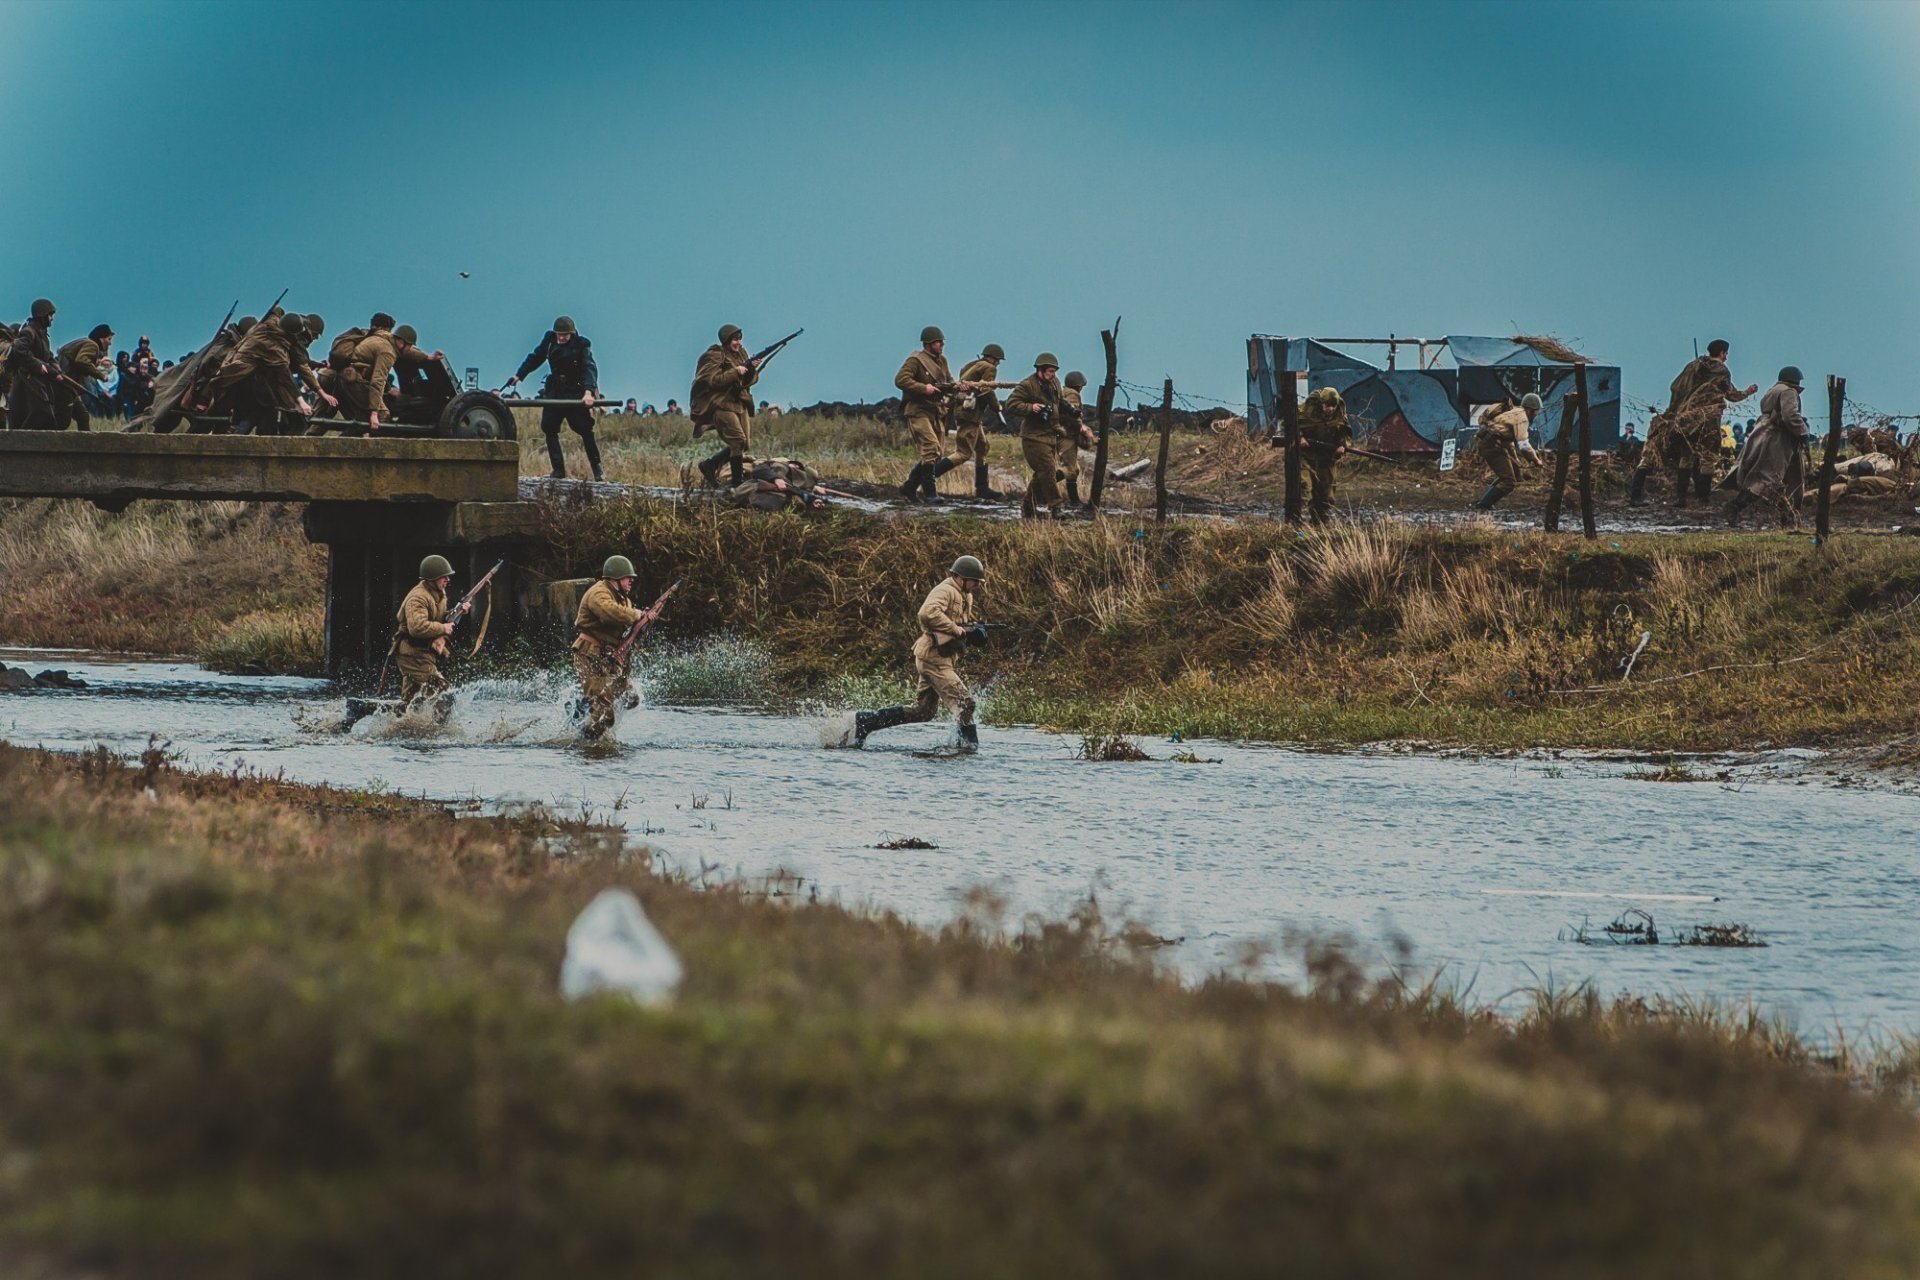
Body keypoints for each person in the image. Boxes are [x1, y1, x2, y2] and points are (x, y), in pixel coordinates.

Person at [851, 555, 987, 749]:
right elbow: (927, 613)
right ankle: (967, 748)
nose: (977, 585)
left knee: (923, 712)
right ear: (960, 577)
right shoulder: (945, 590)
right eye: (975, 581)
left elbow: (956, 621)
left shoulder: (966, 595)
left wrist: (972, 630)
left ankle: (867, 721)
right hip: (934, 658)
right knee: (966, 703)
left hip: (939, 657)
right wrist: (956, 630)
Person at [1631, 340, 1757, 507]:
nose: (1726, 356)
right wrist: (1748, 392)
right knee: (1708, 458)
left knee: (1686, 456)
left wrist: (1676, 411)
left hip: (1687, 420)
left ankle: (1680, 499)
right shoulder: (1721, 370)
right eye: (1726, 353)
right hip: (1709, 420)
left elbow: (1676, 387)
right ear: (1722, 353)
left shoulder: (1692, 366)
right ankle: (1703, 498)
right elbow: (1731, 395)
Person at [505, 316, 603, 480]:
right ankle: (558, 470)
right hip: (555, 391)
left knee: (584, 429)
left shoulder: (582, 344)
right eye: (560, 335)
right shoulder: (550, 340)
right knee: (549, 427)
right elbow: (535, 357)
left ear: (571, 334)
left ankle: (597, 469)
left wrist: (588, 392)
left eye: (565, 335)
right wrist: (519, 375)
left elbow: (589, 368)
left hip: (574, 392)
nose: (562, 338)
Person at [205, 311, 335, 434]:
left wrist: (316, 364)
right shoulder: (274, 348)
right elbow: (289, 373)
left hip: (246, 380)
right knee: (265, 413)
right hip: (254, 382)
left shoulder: (267, 329)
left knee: (260, 414)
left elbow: (295, 361)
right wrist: (304, 400)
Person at [571, 555, 646, 740]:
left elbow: (626, 627)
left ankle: (586, 713)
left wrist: (644, 622)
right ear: (615, 578)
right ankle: (584, 741)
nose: (632, 581)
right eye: (628, 578)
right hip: (589, 656)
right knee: (604, 715)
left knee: (631, 699)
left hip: (609, 658)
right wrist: (637, 615)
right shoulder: (599, 593)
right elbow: (610, 612)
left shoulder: (623, 599)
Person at [1727, 367, 1810, 527]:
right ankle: (1736, 506)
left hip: (1766, 435)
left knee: (1779, 479)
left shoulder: (1773, 390)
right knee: (1768, 478)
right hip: (1778, 439)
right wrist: (1803, 432)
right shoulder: (1788, 391)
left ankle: (1788, 517)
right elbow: (1790, 415)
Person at [391, 554, 470, 717]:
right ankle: (441, 733)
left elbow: (438, 618)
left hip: (423, 654)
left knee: (411, 704)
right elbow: (417, 627)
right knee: (444, 692)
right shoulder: (418, 597)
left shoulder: (438, 593)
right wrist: (443, 628)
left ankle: (365, 710)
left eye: (448, 576)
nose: (448, 580)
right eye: (443, 577)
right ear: (431, 578)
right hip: (412, 655)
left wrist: (459, 611)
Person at [895, 325, 966, 501]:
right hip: (918, 410)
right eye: (938, 342)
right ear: (928, 343)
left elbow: (948, 381)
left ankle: (910, 487)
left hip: (935, 411)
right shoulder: (915, 360)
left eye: (942, 342)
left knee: (937, 453)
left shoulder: (942, 361)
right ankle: (930, 493)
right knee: (931, 447)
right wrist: (923, 388)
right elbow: (901, 380)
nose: (941, 344)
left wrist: (958, 387)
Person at [1004, 353, 1070, 519]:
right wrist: (1030, 407)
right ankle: (1056, 506)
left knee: (1041, 473)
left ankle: (1028, 506)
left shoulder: (1055, 383)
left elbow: (1059, 401)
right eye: (1049, 371)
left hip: (1050, 435)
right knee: (1047, 470)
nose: (1052, 374)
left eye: (1054, 371)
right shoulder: (1027, 385)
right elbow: (1010, 404)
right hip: (1033, 437)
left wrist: (1071, 410)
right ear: (1040, 370)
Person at [691, 323, 759, 487]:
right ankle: (738, 484)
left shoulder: (741, 354)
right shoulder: (714, 356)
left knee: (745, 445)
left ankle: (710, 465)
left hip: (739, 403)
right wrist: (735, 371)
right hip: (721, 404)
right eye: (735, 339)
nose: (739, 343)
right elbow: (712, 381)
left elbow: (748, 381)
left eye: (739, 339)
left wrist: (751, 370)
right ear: (727, 340)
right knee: (738, 441)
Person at [315, 313, 398, 436]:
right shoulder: (382, 344)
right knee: (380, 418)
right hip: (351, 381)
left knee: (323, 417)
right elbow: (377, 379)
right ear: (385, 329)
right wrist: (375, 411)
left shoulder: (360, 337)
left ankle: (304, 443)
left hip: (332, 378)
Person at [1470, 393, 1542, 510]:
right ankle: (1483, 506)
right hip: (1492, 445)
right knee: (1508, 481)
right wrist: (1536, 460)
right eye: (1537, 411)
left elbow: (1508, 440)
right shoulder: (1522, 418)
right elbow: (1524, 445)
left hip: (1491, 443)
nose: (1537, 414)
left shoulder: (1515, 412)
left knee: (1512, 475)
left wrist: (1516, 460)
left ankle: (1483, 502)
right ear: (1532, 410)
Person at [954, 343, 1008, 498]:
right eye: (998, 360)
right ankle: (925, 477)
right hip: (970, 413)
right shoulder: (989, 368)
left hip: (967, 410)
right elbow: (987, 389)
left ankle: (982, 488)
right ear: (993, 358)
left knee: (982, 447)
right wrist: (996, 406)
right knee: (963, 453)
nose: (998, 364)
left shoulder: (971, 365)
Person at [1297, 384, 1352, 523]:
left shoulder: (1339, 414)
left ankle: (1320, 525)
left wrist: (1342, 446)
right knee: (1304, 486)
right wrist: (1300, 437)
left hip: (1326, 456)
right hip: (1305, 455)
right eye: (1328, 405)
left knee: (1326, 493)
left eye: (1333, 406)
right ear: (1321, 404)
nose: (1331, 409)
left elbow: (1345, 433)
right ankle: (1298, 524)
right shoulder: (1307, 411)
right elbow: (1290, 424)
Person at [5, 299, 61, 431]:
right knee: (41, 414)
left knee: (47, 418)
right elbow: (19, 349)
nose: (52, 319)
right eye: (50, 315)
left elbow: (49, 357)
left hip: (37, 382)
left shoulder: (42, 335)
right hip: (27, 382)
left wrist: (57, 370)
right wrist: (38, 365)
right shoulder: (29, 331)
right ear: (42, 315)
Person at [52, 323, 114, 431]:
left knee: (83, 416)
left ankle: (86, 445)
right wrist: (101, 375)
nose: (110, 343)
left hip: (69, 387)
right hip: (65, 386)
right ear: (102, 339)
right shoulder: (92, 345)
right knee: (62, 422)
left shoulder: (85, 342)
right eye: (109, 339)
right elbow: (82, 361)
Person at [724, 456, 827, 513]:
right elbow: (759, 469)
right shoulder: (781, 466)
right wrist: (776, 479)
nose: (796, 467)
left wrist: (813, 499)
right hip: (747, 489)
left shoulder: (792, 481)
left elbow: (797, 490)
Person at [1059, 370, 1096, 508]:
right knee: (1070, 469)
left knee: (1073, 469)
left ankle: (1073, 500)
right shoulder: (1072, 394)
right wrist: (1080, 426)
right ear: (1078, 385)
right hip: (1068, 435)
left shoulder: (1064, 392)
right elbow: (1072, 413)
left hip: (1064, 433)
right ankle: (1073, 501)